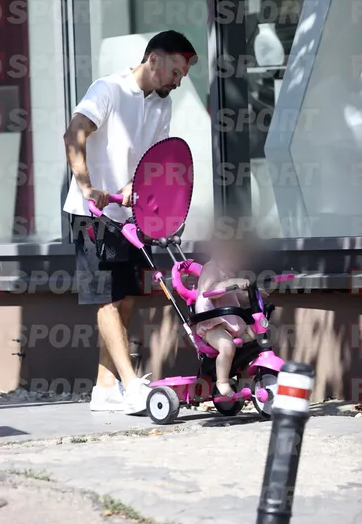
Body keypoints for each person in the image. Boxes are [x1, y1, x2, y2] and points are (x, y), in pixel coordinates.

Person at [63, 30, 198, 415]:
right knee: (105, 300)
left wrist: (140, 193)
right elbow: (74, 133)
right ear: (153, 60)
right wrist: (87, 186)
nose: (178, 80)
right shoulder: (108, 89)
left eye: (183, 75)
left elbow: (152, 163)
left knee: (124, 300)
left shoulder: (162, 105)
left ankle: (105, 389)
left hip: (127, 215)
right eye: (176, 71)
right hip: (91, 215)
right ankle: (131, 383)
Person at [194, 232, 255, 399]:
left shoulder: (228, 271)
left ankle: (246, 379)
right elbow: (211, 290)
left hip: (229, 322)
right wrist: (232, 283)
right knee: (227, 346)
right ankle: (222, 382)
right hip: (212, 324)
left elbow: (234, 294)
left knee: (253, 339)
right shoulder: (211, 268)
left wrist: (250, 294)